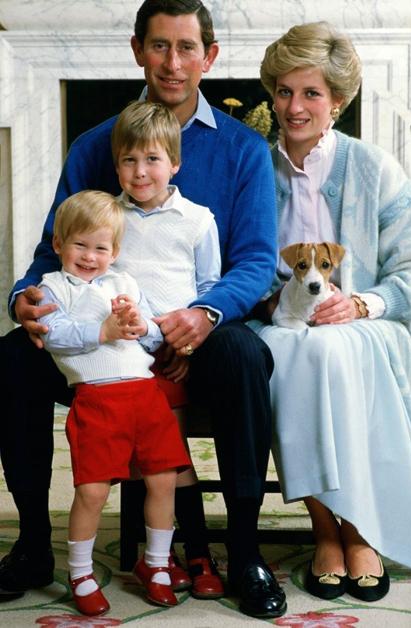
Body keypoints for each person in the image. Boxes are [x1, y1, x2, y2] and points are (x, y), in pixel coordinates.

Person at [0, 0, 286, 619]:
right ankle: (31, 545)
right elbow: (57, 245)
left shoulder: (242, 150)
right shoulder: (98, 144)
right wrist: (24, 297)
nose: (173, 63)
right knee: (12, 356)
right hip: (107, 337)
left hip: (201, 332)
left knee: (243, 354)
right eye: (160, 46)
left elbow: (256, 262)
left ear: (209, 56)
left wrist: (204, 316)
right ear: (137, 50)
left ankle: (244, 548)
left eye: (187, 48)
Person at [248, 21, 411, 603]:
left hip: (370, 329)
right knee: (298, 348)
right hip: (284, 328)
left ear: (338, 100)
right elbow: (239, 265)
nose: (295, 106)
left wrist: (360, 301)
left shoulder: (375, 169)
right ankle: (326, 528)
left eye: (311, 93)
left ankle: (357, 527)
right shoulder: (254, 169)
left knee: (330, 347)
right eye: (284, 91)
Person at [38, 190, 192, 615]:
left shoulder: (124, 284)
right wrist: (103, 332)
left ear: (115, 251)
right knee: (91, 491)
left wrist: (139, 324)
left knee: (162, 480)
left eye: (101, 247)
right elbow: (55, 337)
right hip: (97, 398)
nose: (90, 256)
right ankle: (81, 571)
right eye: (79, 245)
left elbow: (154, 338)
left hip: (144, 393)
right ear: (58, 245)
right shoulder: (50, 288)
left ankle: (157, 564)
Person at [112, 99, 224, 599]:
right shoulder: (108, 216)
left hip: (174, 357)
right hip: (122, 357)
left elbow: (210, 286)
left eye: (152, 159)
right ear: (117, 164)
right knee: (144, 461)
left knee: (171, 460)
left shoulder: (197, 220)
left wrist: (188, 342)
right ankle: (156, 557)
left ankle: (196, 550)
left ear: (174, 163)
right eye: (129, 160)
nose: (140, 172)